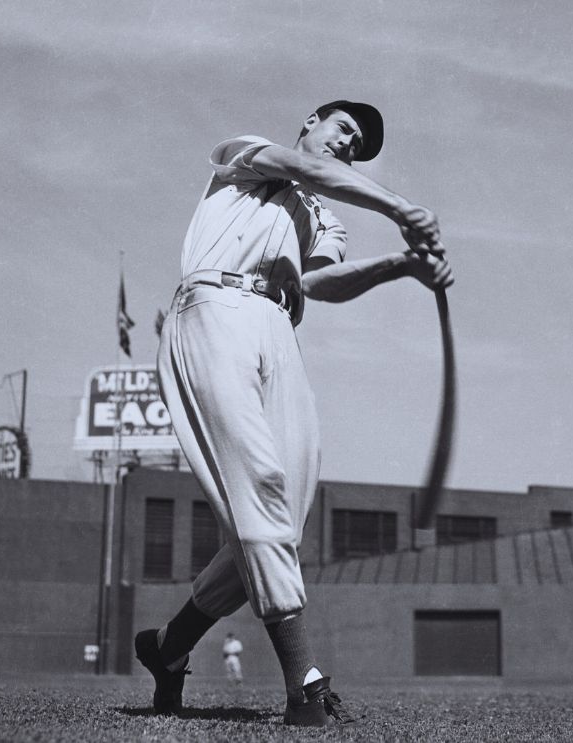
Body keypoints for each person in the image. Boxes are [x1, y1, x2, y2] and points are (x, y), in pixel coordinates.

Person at [136, 100, 452, 727]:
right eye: (343, 129)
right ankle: (304, 683)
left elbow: (319, 286)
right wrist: (399, 208)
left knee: (282, 521)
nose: (347, 144)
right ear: (311, 121)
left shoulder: (323, 218)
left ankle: (169, 649)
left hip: (279, 328)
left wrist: (404, 266)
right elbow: (310, 171)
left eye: (358, 145)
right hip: (214, 306)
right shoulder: (248, 155)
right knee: (259, 489)